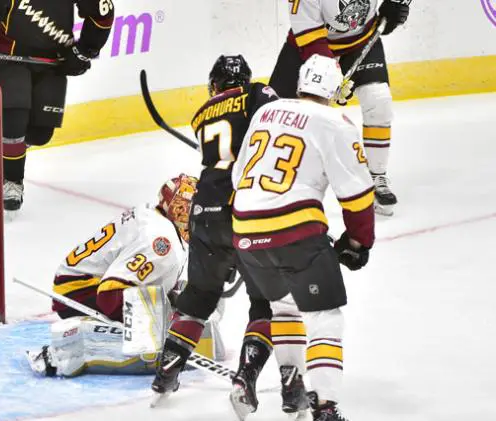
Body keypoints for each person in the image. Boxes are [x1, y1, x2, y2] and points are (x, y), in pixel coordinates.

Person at [230, 54, 375, 421]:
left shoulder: (267, 112)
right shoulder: (335, 122)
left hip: (244, 230)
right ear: (334, 91)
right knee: (325, 317)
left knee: (284, 307)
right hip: (294, 231)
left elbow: (237, 177)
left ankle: (292, 386)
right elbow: (357, 195)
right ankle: (325, 407)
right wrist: (359, 242)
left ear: (299, 84)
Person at [150, 55, 279, 404]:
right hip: (244, 212)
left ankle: (166, 373)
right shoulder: (256, 94)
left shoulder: (201, 113)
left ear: (214, 85)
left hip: (204, 211)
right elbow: (280, 128)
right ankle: (245, 379)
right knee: (265, 303)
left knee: (198, 299)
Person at [26, 174, 225, 377]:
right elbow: (108, 296)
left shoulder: (153, 215)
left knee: (190, 296)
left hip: (76, 281)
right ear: (179, 210)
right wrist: (161, 322)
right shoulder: (162, 243)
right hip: (78, 294)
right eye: (196, 211)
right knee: (167, 319)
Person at [0, 0, 115, 211]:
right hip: (7, 57)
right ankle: (12, 181)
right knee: (14, 118)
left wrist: (84, 50)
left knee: (40, 134)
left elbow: (102, 12)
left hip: (51, 62)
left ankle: (4, 145)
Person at [269, 0, 411, 216]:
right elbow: (310, 38)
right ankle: (265, 177)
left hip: (362, 42)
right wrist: (330, 77)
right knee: (275, 112)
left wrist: (392, 9)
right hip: (309, 46)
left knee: (378, 100)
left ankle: (377, 176)